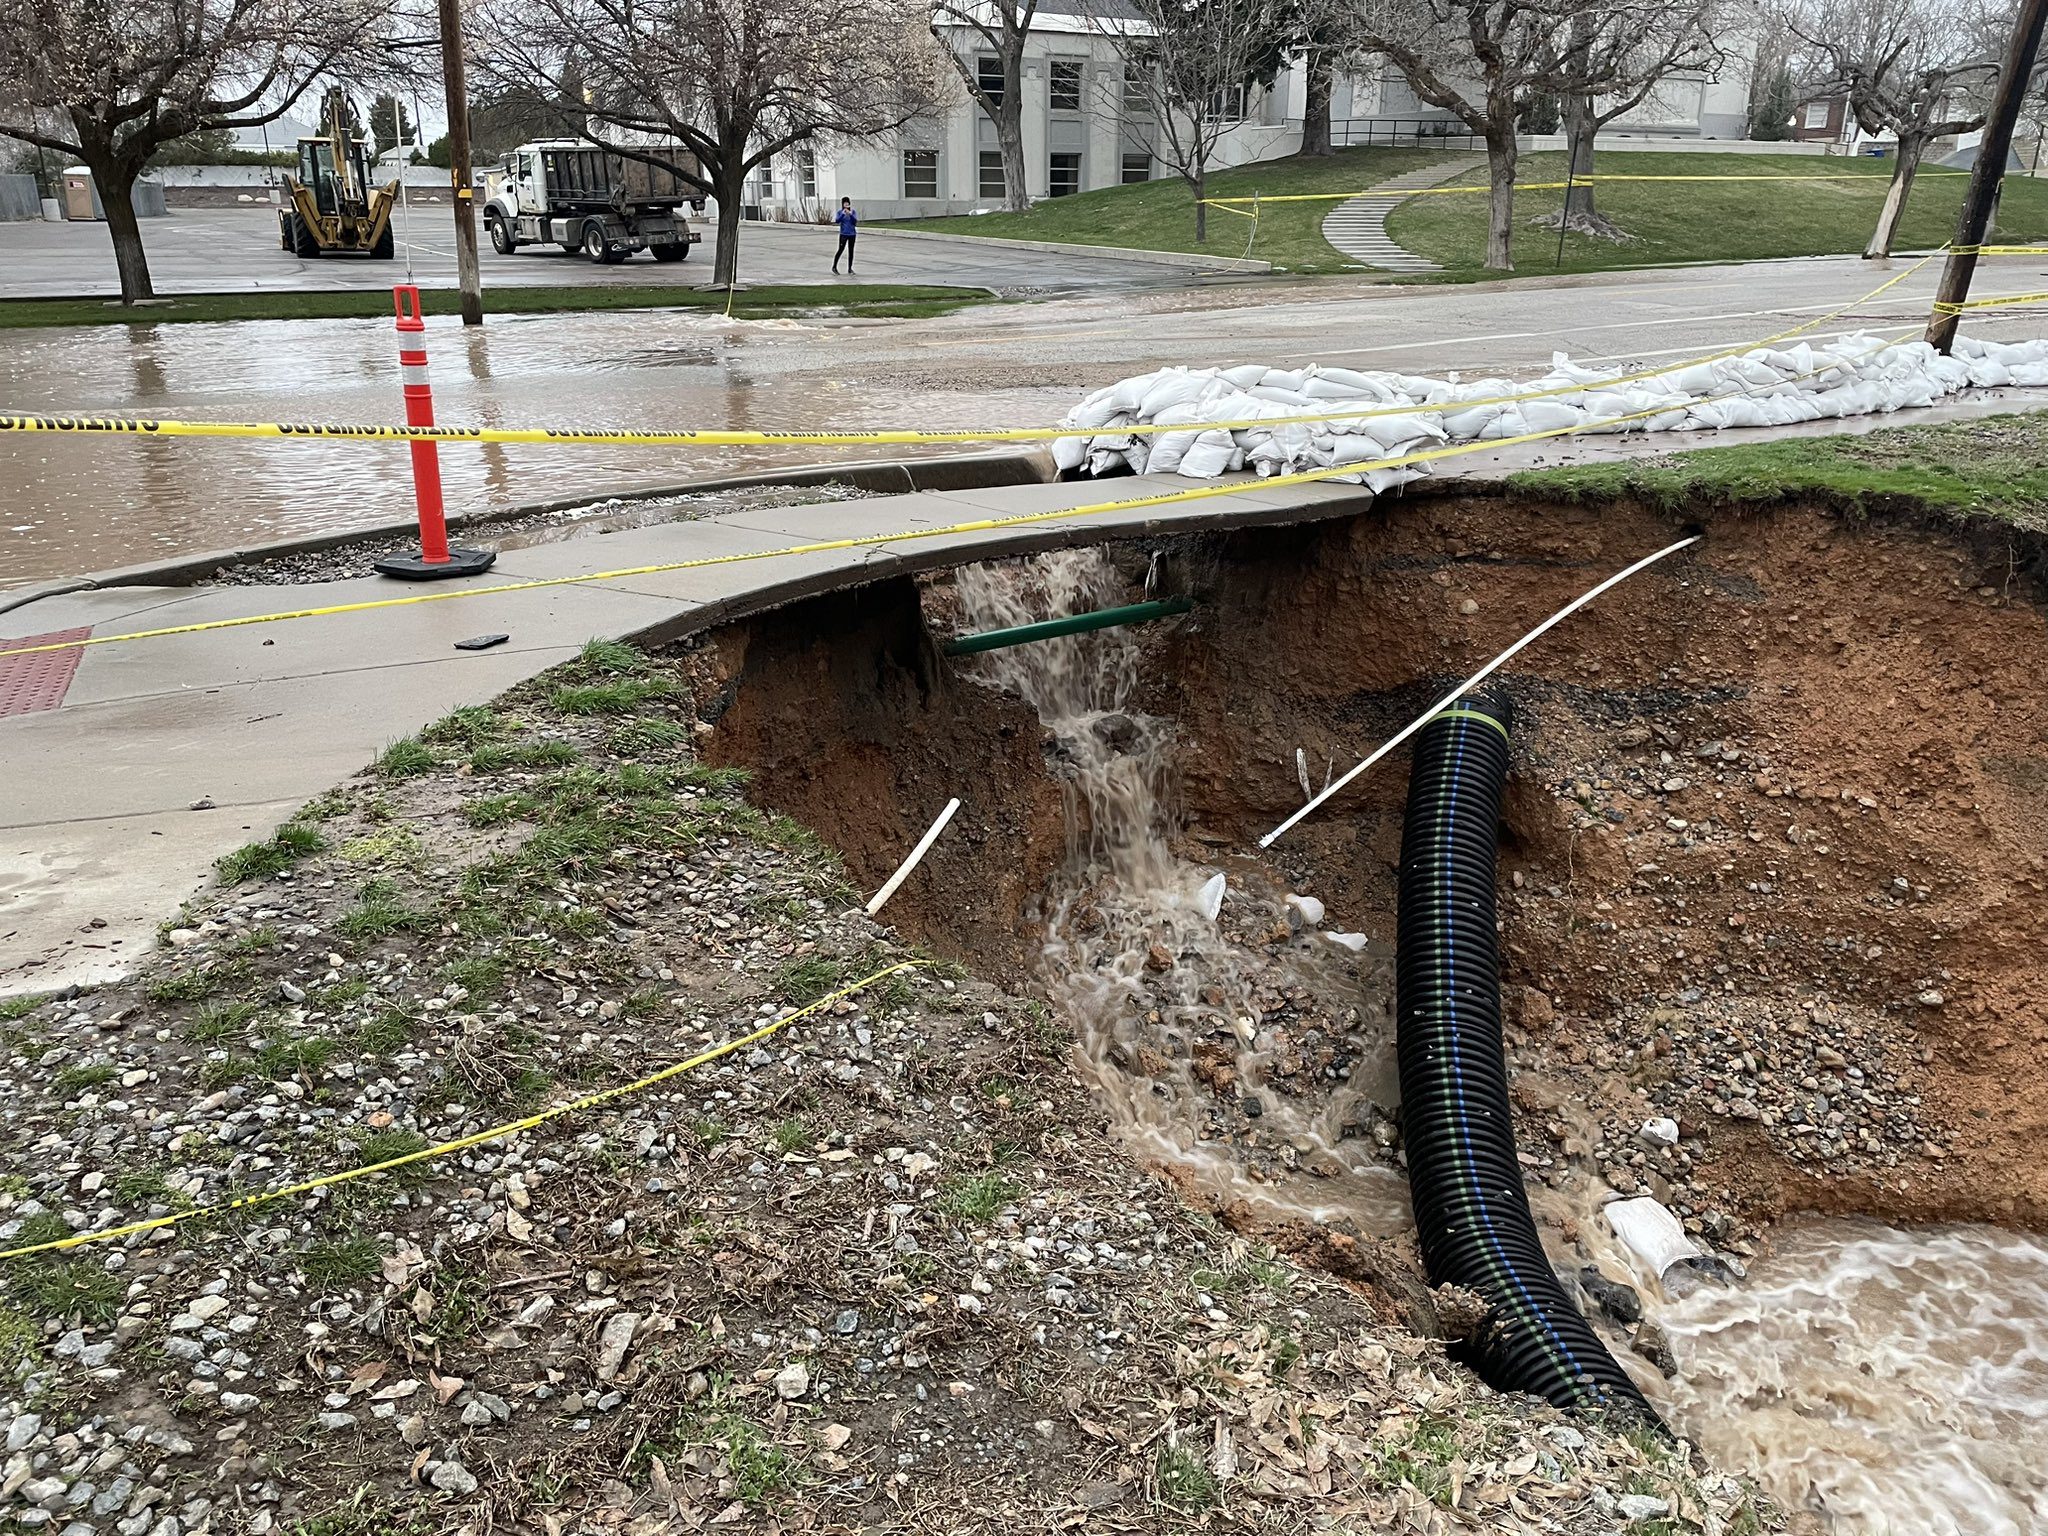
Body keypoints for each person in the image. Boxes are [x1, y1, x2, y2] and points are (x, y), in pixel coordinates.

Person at [832, 197, 858, 274]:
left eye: (847, 203)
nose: (846, 205)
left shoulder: (853, 212)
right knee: (841, 249)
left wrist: (850, 215)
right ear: (843, 204)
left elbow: (855, 221)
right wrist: (843, 214)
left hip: (852, 234)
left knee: (851, 251)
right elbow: (837, 221)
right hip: (843, 234)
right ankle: (834, 267)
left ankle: (850, 268)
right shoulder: (840, 212)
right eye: (845, 203)